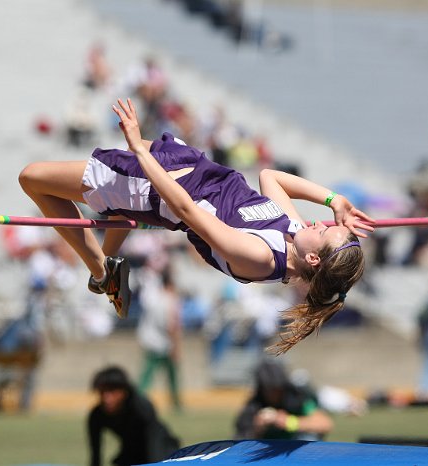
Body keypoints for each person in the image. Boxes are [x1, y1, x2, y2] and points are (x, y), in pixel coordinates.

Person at [19, 98, 374, 354]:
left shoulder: (260, 257)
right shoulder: (294, 231)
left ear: (313, 259)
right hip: (190, 164)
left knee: (32, 178)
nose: (319, 223)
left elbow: (187, 211)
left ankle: (100, 267)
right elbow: (271, 176)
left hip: (155, 187)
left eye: (325, 230)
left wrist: (141, 154)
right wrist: (335, 200)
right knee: (111, 205)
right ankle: (108, 267)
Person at [87, 366, 180, 466]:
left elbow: (154, 437)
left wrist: (156, 464)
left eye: (112, 391)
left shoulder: (141, 407)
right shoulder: (97, 415)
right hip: (131, 453)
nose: (107, 398)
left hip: (163, 448)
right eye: (103, 392)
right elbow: (95, 454)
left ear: (124, 391)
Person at [234, 359, 333, 441]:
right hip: (270, 454)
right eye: (269, 390)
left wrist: (289, 422)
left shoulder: (297, 397)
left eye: (278, 389)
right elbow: (242, 438)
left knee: (309, 438)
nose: (274, 393)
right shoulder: (254, 406)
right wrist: (258, 427)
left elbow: (324, 423)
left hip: (297, 449)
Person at [137, 266, 183, 411]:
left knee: (148, 373)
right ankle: (176, 403)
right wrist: (176, 347)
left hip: (150, 339)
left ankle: (137, 399)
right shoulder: (170, 300)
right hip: (164, 343)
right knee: (171, 375)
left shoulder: (154, 298)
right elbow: (172, 326)